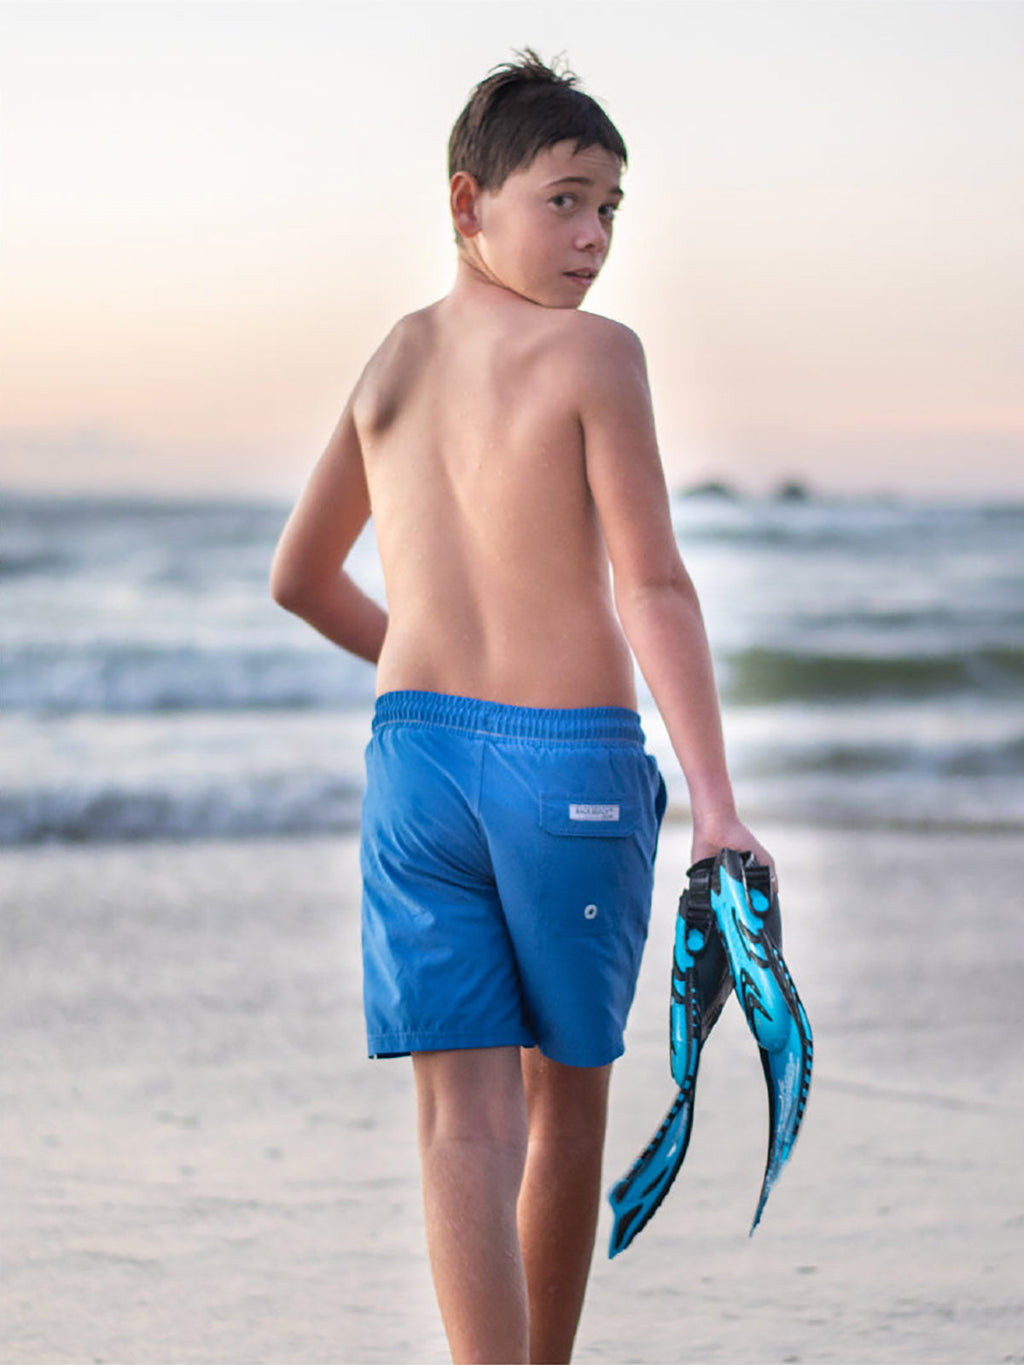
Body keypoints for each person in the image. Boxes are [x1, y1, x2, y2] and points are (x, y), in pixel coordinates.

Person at [271, 50, 771, 1365]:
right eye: (563, 200)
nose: (595, 236)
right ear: (467, 202)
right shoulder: (596, 356)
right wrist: (718, 810)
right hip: (572, 776)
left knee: (461, 1128)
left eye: (611, 205)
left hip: (413, 768)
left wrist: (420, 673)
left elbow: (300, 576)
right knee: (562, 1116)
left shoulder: (391, 363)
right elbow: (654, 582)